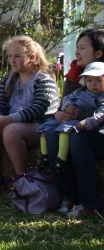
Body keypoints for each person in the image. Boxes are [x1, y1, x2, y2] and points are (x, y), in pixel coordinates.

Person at [0, 35, 59, 196]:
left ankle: (22, 180)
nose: (12, 60)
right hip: (12, 123)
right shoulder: (8, 79)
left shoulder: (43, 79)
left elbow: (40, 109)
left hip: (40, 127)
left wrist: (10, 119)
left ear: (32, 57)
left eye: (17, 56)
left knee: (11, 130)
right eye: (10, 56)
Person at [37, 62, 104, 215]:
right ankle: (68, 195)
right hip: (78, 129)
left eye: (99, 80)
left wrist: (86, 123)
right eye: (90, 80)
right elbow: (66, 99)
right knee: (53, 135)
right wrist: (67, 108)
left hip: (97, 132)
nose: (94, 84)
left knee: (77, 140)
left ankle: (89, 203)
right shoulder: (80, 92)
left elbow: (101, 114)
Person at [61, 29, 104, 97]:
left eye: (82, 48)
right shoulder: (74, 76)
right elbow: (64, 105)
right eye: (77, 47)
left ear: (98, 53)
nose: (77, 52)